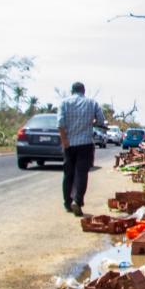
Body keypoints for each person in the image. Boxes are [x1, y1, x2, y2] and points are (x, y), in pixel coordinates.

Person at [57, 81, 106, 216]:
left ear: (72, 91)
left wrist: (64, 140)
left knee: (68, 174)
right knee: (81, 173)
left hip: (69, 144)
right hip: (85, 144)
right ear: (83, 91)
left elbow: (60, 124)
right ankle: (77, 201)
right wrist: (91, 122)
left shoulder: (64, 103)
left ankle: (67, 203)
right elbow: (101, 121)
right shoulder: (92, 103)